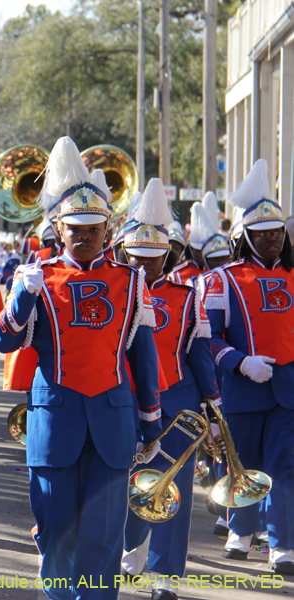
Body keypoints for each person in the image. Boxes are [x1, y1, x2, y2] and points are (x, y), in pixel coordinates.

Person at [0, 137, 162, 600]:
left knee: (104, 538)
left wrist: (152, 423)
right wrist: (23, 298)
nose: (84, 236)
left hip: (113, 421)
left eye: (93, 228)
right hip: (54, 421)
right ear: (59, 230)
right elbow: (3, 340)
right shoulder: (36, 277)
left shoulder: (132, 280)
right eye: (75, 229)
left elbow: (143, 356)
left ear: (108, 230)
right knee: (54, 531)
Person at [117, 178, 220, 600]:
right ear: (125, 253)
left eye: (154, 259)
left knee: (172, 489)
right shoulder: (113, 290)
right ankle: (128, 551)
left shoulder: (188, 295)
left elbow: (199, 354)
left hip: (177, 400)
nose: (144, 267)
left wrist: (213, 407)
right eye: (137, 258)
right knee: (125, 483)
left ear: (169, 256)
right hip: (120, 398)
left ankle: (165, 578)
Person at [207, 159, 294, 575]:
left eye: (277, 232)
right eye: (263, 234)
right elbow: (208, 339)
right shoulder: (222, 279)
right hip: (244, 386)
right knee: (244, 464)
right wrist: (241, 364)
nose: (272, 239)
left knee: (284, 465)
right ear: (246, 236)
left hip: (288, 388)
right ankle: (239, 533)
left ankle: (281, 545)